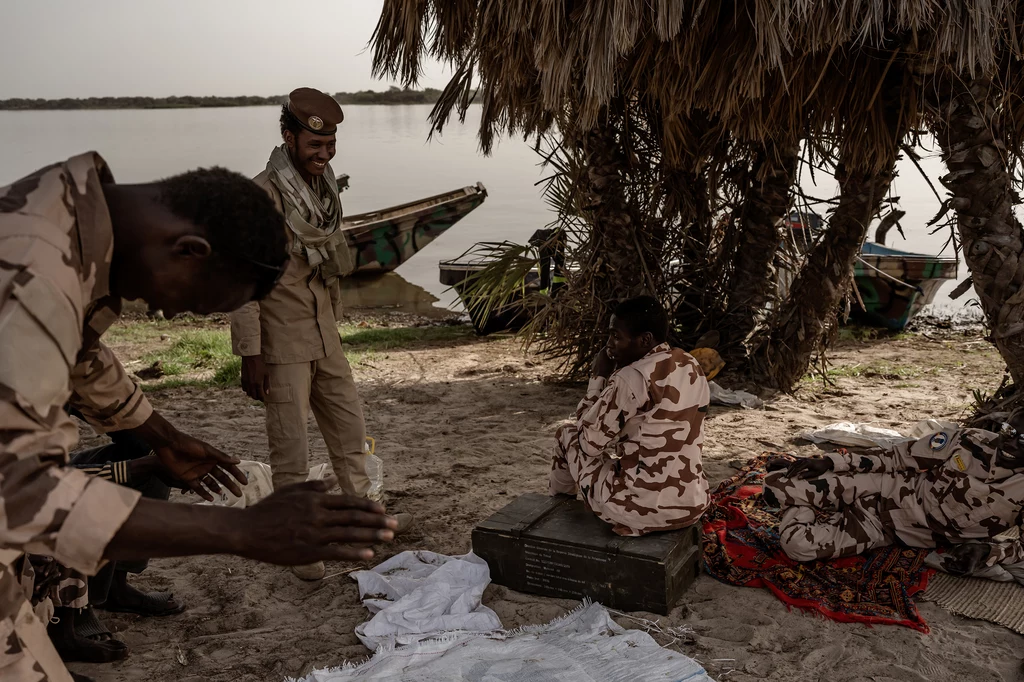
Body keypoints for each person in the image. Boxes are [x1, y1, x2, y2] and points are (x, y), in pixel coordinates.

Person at [0, 154, 397, 682]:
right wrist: (240, 530)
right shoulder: (34, 269)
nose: (170, 314)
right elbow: (22, 496)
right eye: (191, 302)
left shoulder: (76, 212)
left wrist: (161, 437)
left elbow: (77, 352)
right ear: (189, 250)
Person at [230, 87, 412, 581]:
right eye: (315, 146)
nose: (325, 154)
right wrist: (251, 354)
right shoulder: (259, 197)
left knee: (351, 436)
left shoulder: (325, 190)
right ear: (288, 137)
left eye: (330, 146)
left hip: (325, 337)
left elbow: (327, 265)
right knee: (290, 451)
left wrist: (334, 323)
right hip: (281, 344)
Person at [763, 415, 1024, 576]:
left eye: (1023, 439)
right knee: (775, 486)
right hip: (885, 487)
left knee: (797, 547)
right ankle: (821, 497)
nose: (1010, 443)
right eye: (1008, 431)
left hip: (891, 530)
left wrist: (988, 552)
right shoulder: (971, 440)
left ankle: (818, 503)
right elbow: (899, 456)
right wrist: (832, 462)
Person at [549, 296, 711, 536]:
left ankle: (556, 512)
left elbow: (589, 444)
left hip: (639, 511)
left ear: (645, 339)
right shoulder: (690, 364)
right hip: (692, 505)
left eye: (615, 336)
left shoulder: (631, 377)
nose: (609, 345)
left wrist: (598, 379)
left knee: (566, 435)